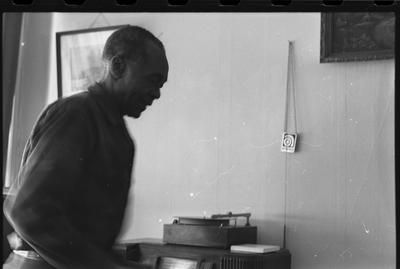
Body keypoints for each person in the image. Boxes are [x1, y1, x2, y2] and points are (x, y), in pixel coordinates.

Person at [3, 25, 169, 269]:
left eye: (161, 85)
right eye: (152, 80)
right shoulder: (76, 113)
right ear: (117, 66)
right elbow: (28, 212)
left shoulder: (119, 134)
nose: (156, 94)